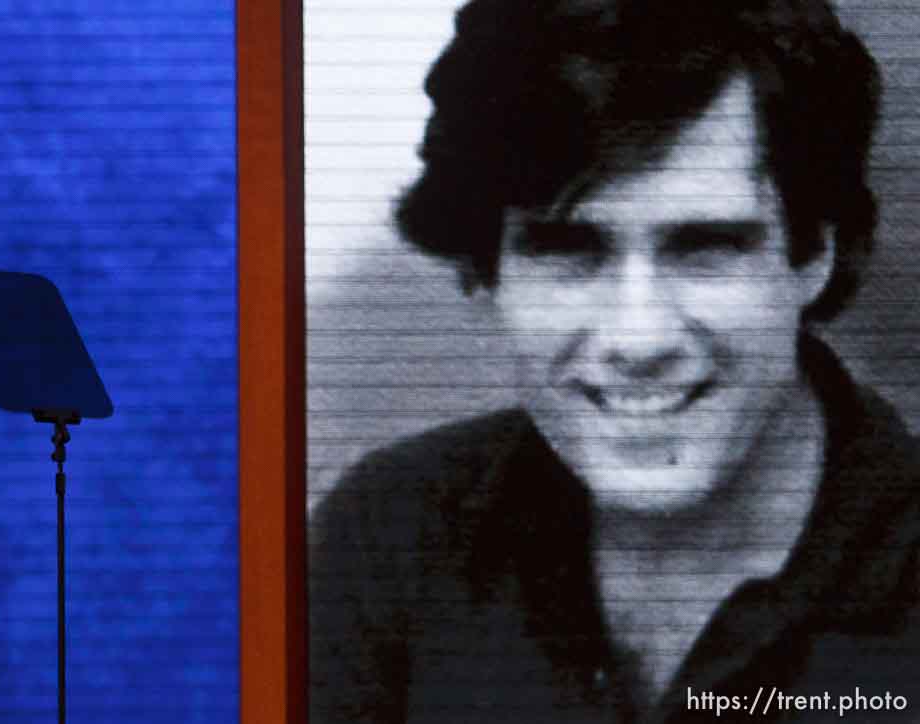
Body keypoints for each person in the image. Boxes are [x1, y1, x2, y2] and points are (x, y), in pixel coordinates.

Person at [311, 0, 920, 721]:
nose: (639, 338)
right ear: (484, 274)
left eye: (706, 247)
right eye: (570, 250)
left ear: (813, 255)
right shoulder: (391, 535)